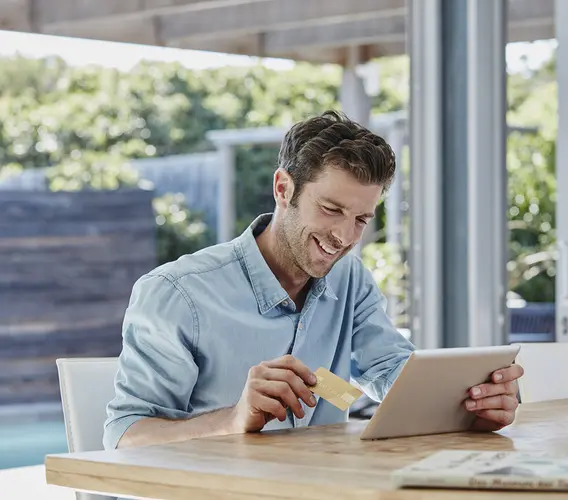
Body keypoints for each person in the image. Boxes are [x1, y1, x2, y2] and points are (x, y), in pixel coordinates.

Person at [103, 110, 524, 450]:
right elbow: (124, 438)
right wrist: (233, 420)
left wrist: (469, 403)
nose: (344, 237)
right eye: (330, 208)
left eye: (361, 219)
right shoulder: (178, 294)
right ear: (284, 188)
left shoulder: (350, 280)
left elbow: (391, 370)